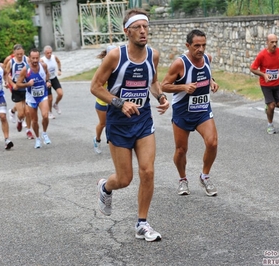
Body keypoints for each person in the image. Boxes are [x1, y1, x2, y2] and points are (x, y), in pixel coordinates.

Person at [90, 8, 169, 242]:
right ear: (127, 31)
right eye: (138, 27)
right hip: (118, 122)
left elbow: (153, 82)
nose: (144, 31)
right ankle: (106, 187)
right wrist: (119, 102)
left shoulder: (153, 55)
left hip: (143, 119)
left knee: (148, 171)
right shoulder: (115, 56)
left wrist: (161, 97)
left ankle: (142, 224)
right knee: (124, 179)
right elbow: (95, 87)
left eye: (146, 27)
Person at [161, 29, 219, 197]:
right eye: (196, 46)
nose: (200, 49)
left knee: (212, 143)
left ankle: (205, 176)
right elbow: (164, 85)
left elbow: (206, 75)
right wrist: (183, 87)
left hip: (202, 110)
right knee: (181, 150)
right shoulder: (180, 63)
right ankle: (182, 179)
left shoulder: (207, 59)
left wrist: (212, 82)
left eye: (203, 45)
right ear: (188, 46)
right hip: (183, 112)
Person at [250, 33, 279, 134]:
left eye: (276, 42)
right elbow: (252, 69)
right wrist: (263, 75)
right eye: (272, 42)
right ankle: (270, 125)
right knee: (271, 106)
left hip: (277, 84)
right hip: (266, 85)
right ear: (267, 43)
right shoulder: (262, 55)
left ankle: (270, 106)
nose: (274, 44)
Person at [16, 48, 52, 149]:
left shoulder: (43, 66)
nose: (35, 60)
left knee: (45, 116)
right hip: (31, 97)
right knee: (34, 120)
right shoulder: (25, 70)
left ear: (39, 57)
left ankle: (44, 133)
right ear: (29, 58)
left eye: (37, 58)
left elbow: (47, 74)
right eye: (33, 58)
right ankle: (37, 138)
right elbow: (18, 84)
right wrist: (27, 84)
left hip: (42, 95)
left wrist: (48, 81)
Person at [5, 44, 34, 139]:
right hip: (16, 88)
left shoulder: (27, 60)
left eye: (21, 54)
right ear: (14, 53)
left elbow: (32, 70)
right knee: (21, 113)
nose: (20, 56)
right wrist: (12, 84)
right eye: (18, 54)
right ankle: (19, 119)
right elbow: (6, 75)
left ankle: (28, 131)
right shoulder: (11, 62)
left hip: (26, 87)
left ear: (24, 52)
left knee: (28, 112)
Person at [93, 45, 116, 154]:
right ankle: (97, 139)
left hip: (114, 102)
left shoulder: (118, 66)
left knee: (113, 123)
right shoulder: (102, 68)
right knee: (103, 123)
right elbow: (96, 86)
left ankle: (113, 142)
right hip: (102, 102)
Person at [40, 45, 63, 119]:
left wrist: (59, 70)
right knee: (50, 98)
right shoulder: (42, 60)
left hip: (54, 78)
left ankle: (56, 104)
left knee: (60, 93)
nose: (49, 54)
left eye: (50, 52)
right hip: (47, 80)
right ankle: (50, 112)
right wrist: (46, 80)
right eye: (48, 53)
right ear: (44, 53)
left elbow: (58, 62)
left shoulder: (54, 57)